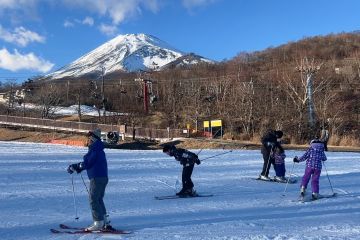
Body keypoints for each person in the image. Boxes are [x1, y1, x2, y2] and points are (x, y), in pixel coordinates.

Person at [67, 129, 112, 231]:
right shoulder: (98, 148)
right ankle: (105, 221)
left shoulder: (95, 149)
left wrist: (75, 167)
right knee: (98, 199)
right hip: (102, 177)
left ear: (93, 139)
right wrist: (77, 166)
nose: (88, 140)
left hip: (97, 178)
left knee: (93, 200)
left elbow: (87, 163)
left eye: (90, 138)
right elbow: (88, 162)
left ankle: (98, 222)